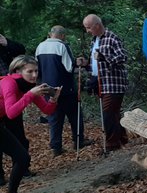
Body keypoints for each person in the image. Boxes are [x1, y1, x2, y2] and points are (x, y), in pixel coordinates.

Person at [0, 55, 61, 193]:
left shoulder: (28, 87)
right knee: (22, 157)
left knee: (22, 158)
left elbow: (47, 110)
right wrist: (30, 94)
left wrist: (54, 99)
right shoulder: (9, 82)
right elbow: (11, 113)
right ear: (18, 71)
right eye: (30, 71)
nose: (34, 75)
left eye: (36, 71)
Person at [36, 25, 91, 156]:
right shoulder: (62, 46)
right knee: (75, 114)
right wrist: (78, 65)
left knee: (54, 117)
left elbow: (37, 69)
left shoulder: (40, 47)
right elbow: (68, 67)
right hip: (65, 88)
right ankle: (78, 140)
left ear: (50, 34)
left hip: (47, 88)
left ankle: (56, 146)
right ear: (62, 35)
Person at [79, 14, 128, 151]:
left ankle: (112, 144)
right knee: (113, 112)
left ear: (97, 25)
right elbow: (96, 64)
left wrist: (104, 57)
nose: (87, 31)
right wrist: (86, 64)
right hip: (100, 82)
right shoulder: (94, 40)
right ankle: (122, 139)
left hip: (113, 83)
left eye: (89, 28)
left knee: (108, 112)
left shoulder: (112, 37)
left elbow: (123, 57)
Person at [0, 33, 26, 184]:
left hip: (11, 94)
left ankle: (22, 166)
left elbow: (21, 51)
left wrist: (6, 43)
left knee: (17, 131)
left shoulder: (4, 45)